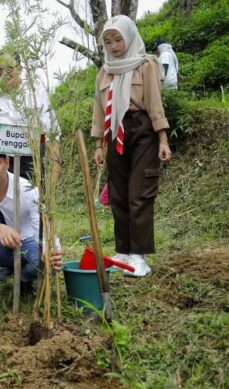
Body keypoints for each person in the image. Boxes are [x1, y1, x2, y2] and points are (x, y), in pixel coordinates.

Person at [91, 15, 172, 277]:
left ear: (129, 37)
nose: (113, 46)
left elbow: (155, 105)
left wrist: (162, 139)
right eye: (108, 41)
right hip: (115, 133)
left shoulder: (146, 65)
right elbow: (99, 110)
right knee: (118, 195)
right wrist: (99, 144)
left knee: (140, 192)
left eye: (118, 39)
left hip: (142, 131)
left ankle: (139, 256)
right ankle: (124, 251)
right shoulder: (104, 72)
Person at [0, 138, 63, 320]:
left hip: (26, 244)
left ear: (7, 162)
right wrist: (0, 228)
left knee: (43, 261)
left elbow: (43, 226)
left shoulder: (27, 190)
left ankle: (24, 279)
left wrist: (52, 250)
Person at [0, 48, 61, 181]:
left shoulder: (35, 95)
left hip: (33, 167)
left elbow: (51, 133)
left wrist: (54, 173)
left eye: (9, 68)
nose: (4, 74)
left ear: (20, 68)